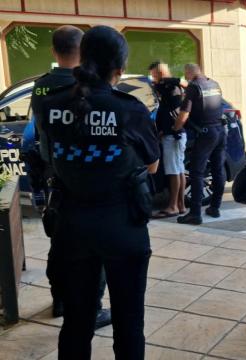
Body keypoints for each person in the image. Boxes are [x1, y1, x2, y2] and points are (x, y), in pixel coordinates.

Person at [41, 25, 160, 358]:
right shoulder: (130, 109)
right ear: (119, 69)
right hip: (122, 226)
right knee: (129, 322)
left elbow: (50, 157)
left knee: (77, 322)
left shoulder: (50, 105)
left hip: (71, 225)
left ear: (83, 58)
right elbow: (151, 166)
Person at [29, 25, 111, 329]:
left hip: (55, 176)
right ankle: (93, 308)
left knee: (60, 243)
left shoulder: (40, 87)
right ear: (85, 51)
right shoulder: (93, 84)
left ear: (53, 51)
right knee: (94, 247)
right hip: (89, 176)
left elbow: (38, 131)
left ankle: (61, 300)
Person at [175, 64, 226, 225]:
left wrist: (175, 127)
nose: (186, 76)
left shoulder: (194, 87)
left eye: (186, 74)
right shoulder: (214, 84)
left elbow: (184, 114)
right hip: (221, 130)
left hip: (206, 133)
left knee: (197, 172)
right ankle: (215, 207)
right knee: (218, 170)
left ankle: (195, 214)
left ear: (190, 73)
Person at [149, 61, 188, 218]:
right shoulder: (168, 87)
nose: (153, 78)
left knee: (174, 171)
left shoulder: (170, 85)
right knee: (178, 170)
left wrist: (169, 130)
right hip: (174, 135)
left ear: (160, 73)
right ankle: (181, 205)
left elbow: (182, 82)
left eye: (154, 74)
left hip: (174, 136)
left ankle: (173, 206)